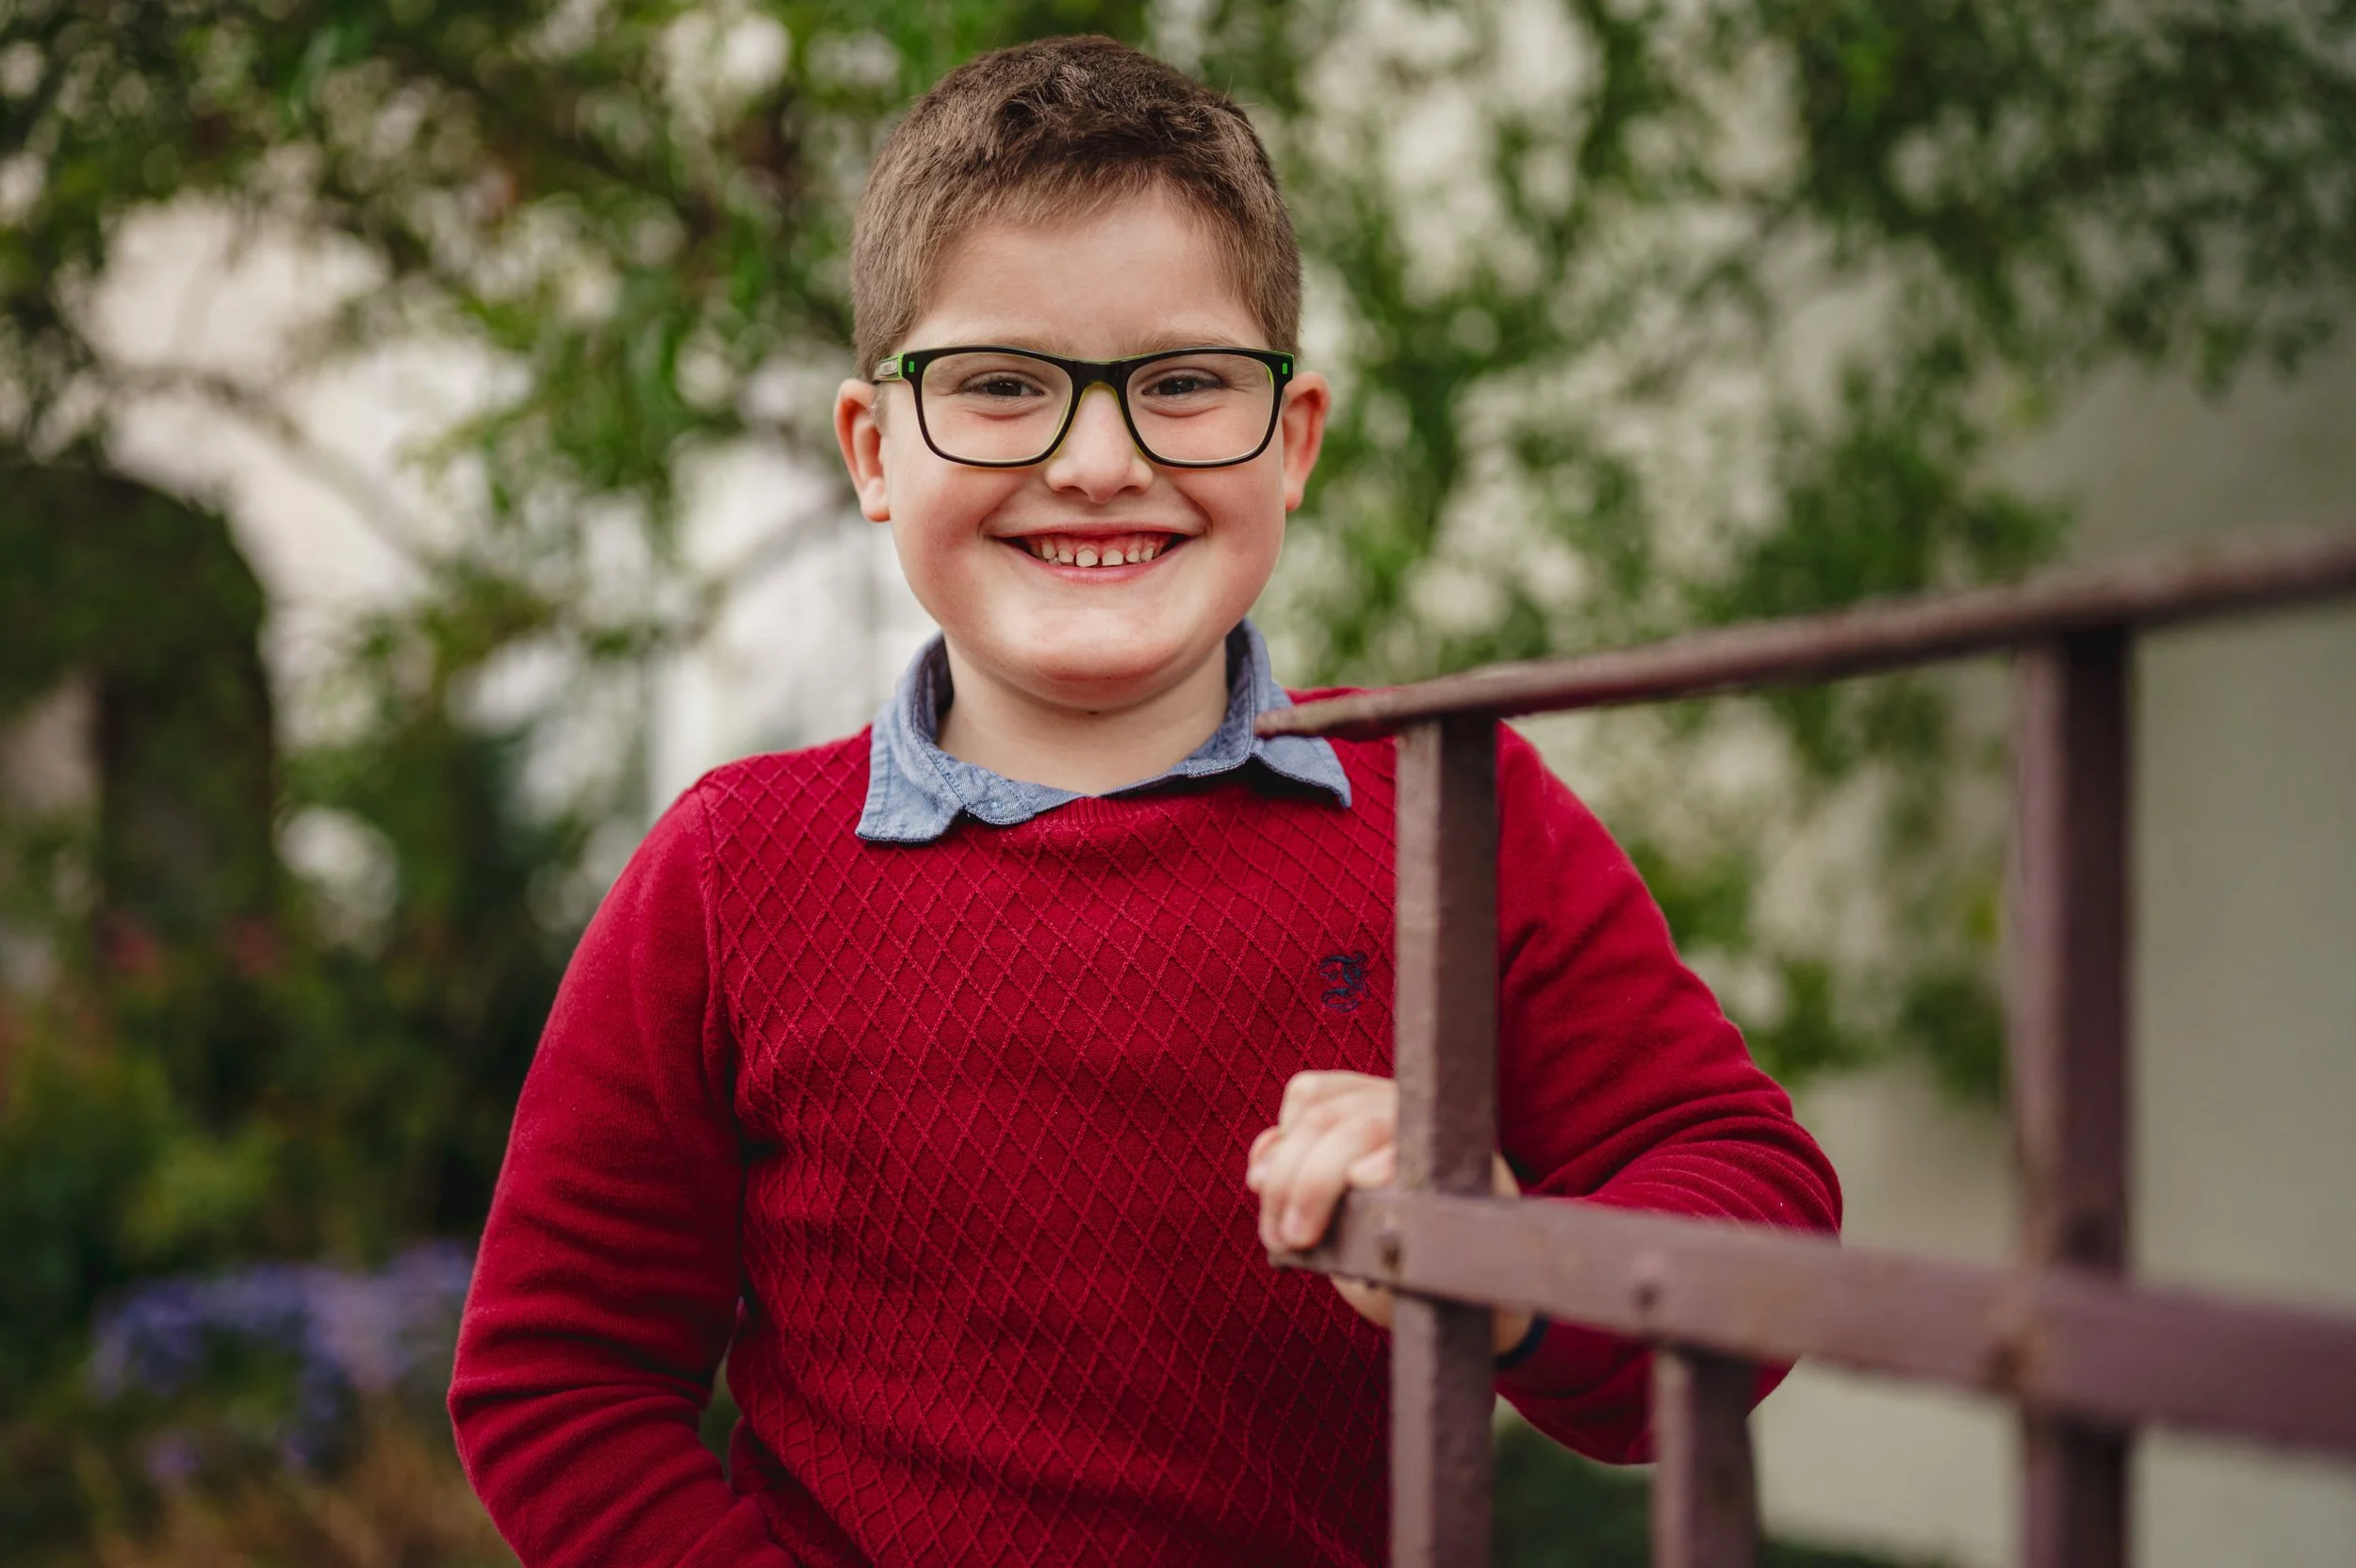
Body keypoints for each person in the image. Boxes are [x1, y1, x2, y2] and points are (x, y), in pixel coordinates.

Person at [448, 34, 1841, 1568]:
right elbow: (557, 1380)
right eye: (997, 386)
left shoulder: (1446, 816)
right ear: (873, 451)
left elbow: (1754, 1214)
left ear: (1294, 440)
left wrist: (1505, 1257)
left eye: (1182, 383)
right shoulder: (732, 872)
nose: (1097, 461)